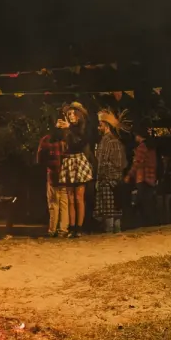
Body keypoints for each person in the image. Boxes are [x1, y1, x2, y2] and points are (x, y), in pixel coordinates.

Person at [60, 102, 93, 238]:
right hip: (68, 160)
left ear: (79, 115)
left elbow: (82, 141)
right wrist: (59, 128)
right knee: (70, 198)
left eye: (73, 113)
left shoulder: (83, 128)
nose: (71, 116)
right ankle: (72, 227)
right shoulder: (67, 129)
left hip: (79, 160)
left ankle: (79, 228)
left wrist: (69, 128)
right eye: (69, 114)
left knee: (79, 197)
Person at [95, 109, 128, 234]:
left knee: (108, 208)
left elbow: (102, 161)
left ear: (106, 125)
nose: (98, 127)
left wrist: (99, 178)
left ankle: (109, 231)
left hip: (106, 179)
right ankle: (117, 230)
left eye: (100, 125)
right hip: (118, 178)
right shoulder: (117, 140)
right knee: (117, 206)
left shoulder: (106, 140)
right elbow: (123, 163)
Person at [38, 115, 68, 237]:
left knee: (53, 203)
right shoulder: (68, 138)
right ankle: (63, 229)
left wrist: (47, 165)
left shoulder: (47, 140)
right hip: (66, 174)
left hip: (52, 174)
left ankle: (52, 230)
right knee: (64, 203)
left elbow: (40, 157)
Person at [125, 126, 158, 227]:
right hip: (151, 177)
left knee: (143, 203)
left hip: (142, 178)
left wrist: (129, 175)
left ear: (138, 135)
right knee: (148, 202)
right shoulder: (151, 147)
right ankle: (151, 222)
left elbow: (137, 163)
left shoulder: (141, 147)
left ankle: (146, 224)